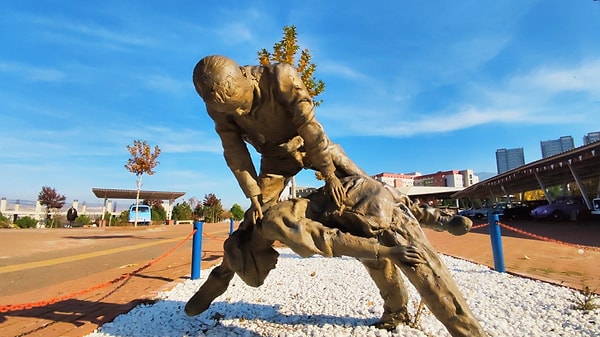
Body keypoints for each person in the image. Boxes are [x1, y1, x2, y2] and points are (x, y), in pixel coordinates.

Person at [185, 175, 485, 337]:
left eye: (263, 272)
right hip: (352, 207)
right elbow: (224, 271)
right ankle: (397, 313)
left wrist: (389, 249)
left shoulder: (273, 223)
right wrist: (201, 300)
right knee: (378, 264)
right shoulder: (244, 237)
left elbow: (331, 240)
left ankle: (471, 334)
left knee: (427, 275)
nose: (272, 267)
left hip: (364, 209)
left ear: (253, 258)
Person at [193, 55, 366, 224]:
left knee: (362, 186)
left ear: (244, 75)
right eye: (232, 111)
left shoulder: (282, 76)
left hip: (307, 143)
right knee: (254, 223)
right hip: (274, 160)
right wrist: (253, 194)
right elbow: (234, 150)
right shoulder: (216, 108)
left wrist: (329, 174)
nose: (239, 114)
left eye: (242, 104)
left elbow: (309, 126)